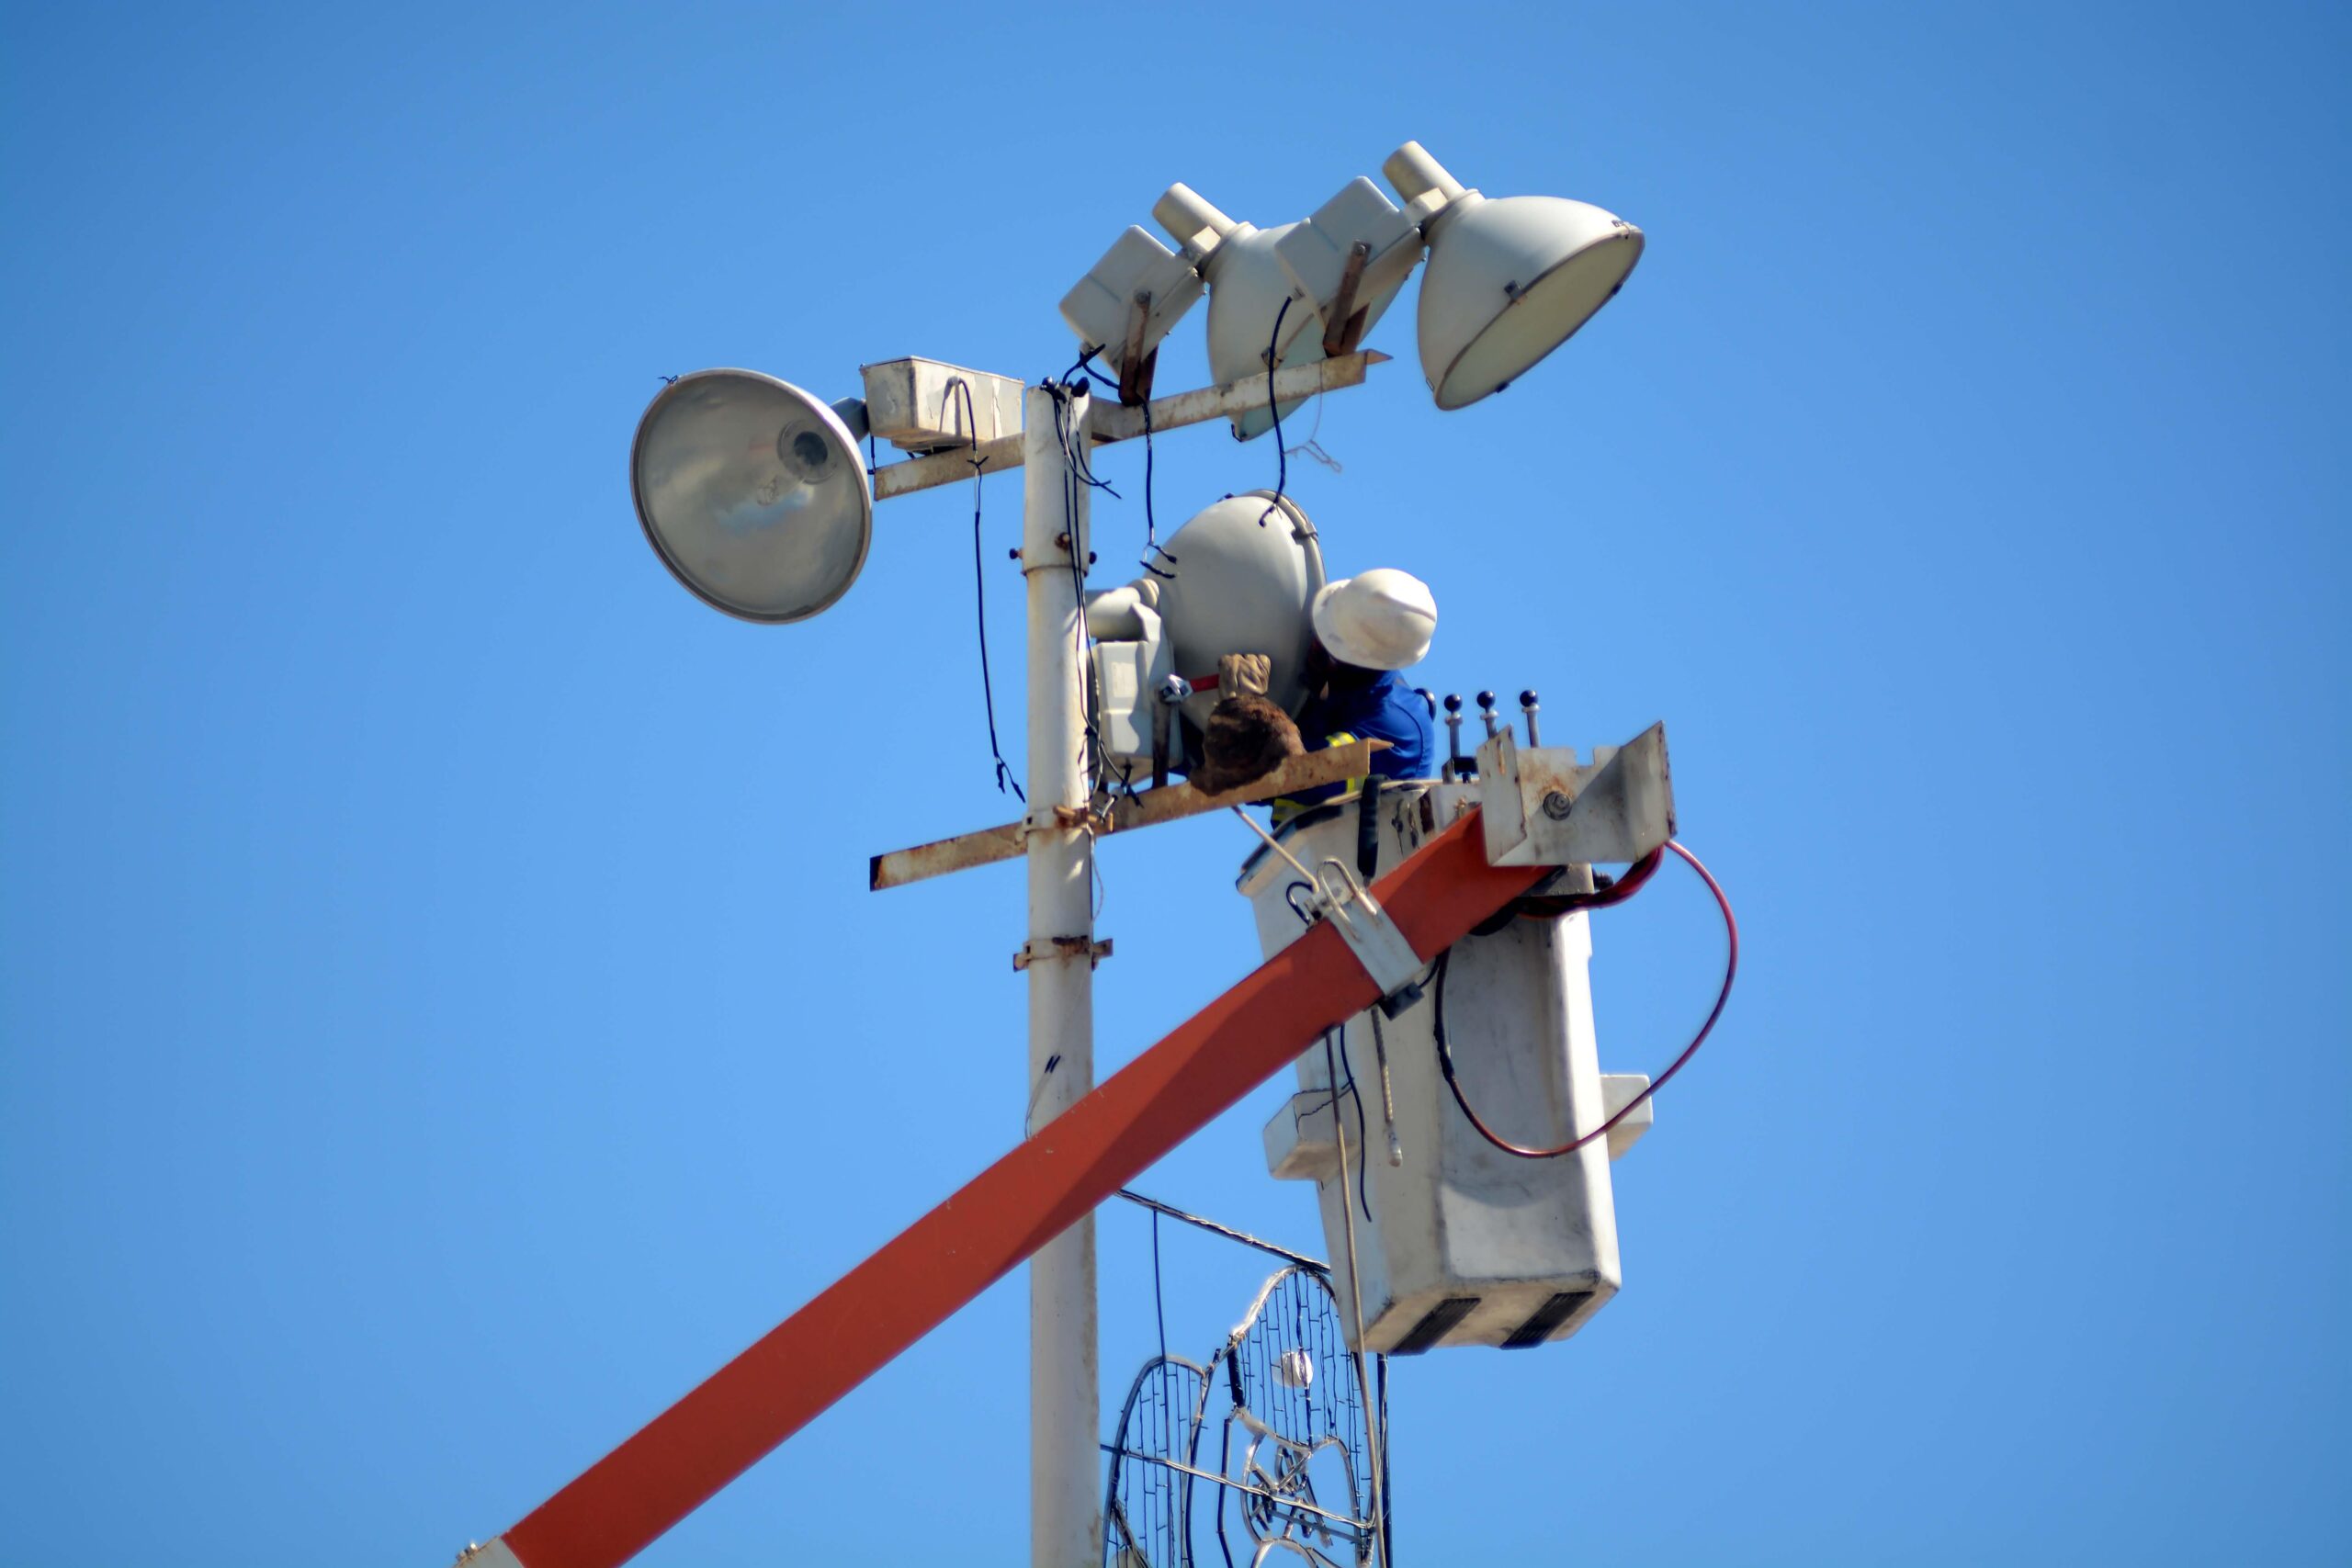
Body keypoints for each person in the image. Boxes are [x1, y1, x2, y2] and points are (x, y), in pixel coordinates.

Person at [1273, 568, 1438, 818]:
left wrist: (1244, 710)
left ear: (1357, 661)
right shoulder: (1350, 692)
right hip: (1302, 853)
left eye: (1327, 645)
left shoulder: (1393, 727)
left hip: (1342, 856)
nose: (1314, 645)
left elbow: (1294, 778)